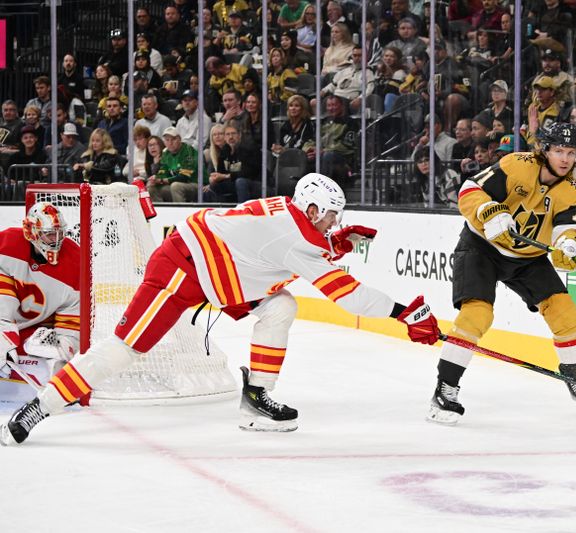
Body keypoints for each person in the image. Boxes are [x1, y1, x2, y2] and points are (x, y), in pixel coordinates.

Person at [1, 173, 440, 444]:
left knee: (280, 307)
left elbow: (281, 248)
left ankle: (256, 396)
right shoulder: (298, 235)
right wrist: (407, 312)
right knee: (123, 349)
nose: (334, 225)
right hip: (181, 268)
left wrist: (332, 241)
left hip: (220, 273)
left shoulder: (292, 219)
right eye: (330, 217)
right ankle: (38, 408)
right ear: (310, 208)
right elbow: (348, 295)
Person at [426, 122, 576, 425]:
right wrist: (489, 212)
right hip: (482, 247)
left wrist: (569, 245)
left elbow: (569, 227)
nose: (564, 158)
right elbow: (470, 190)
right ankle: (445, 389)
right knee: (477, 315)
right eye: (559, 150)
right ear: (544, 150)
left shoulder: (573, 191)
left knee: (566, 314)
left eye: (571, 153)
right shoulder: (516, 165)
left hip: (528, 258)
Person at [0, 202, 80, 401]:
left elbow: (72, 319)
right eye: (49, 234)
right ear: (31, 231)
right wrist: (3, 335)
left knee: (55, 369)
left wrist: (63, 349)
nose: (56, 240)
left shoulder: (75, 261)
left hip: (33, 332)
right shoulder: (6, 244)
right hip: (7, 325)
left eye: (59, 233)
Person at [155, 127, 203, 203]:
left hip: (196, 184)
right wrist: (156, 178)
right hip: (177, 184)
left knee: (176, 186)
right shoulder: (166, 153)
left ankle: (181, 213)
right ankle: (159, 214)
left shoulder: (189, 151)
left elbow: (185, 176)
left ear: (180, 139)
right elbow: (163, 171)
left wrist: (164, 180)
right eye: (167, 140)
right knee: (152, 187)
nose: (170, 143)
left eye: (173, 139)